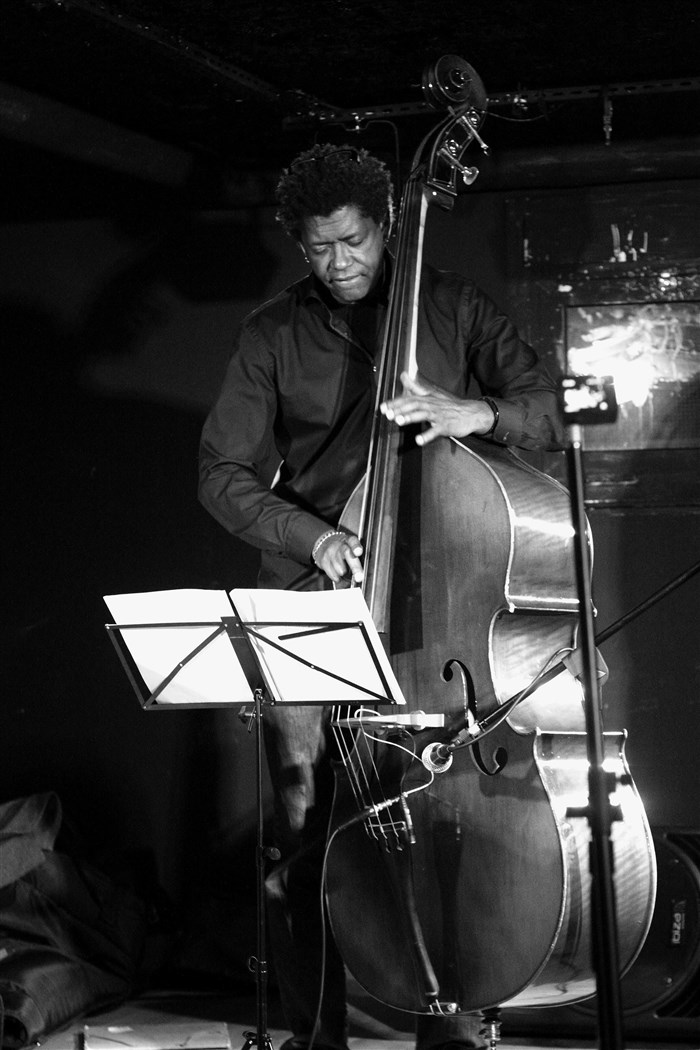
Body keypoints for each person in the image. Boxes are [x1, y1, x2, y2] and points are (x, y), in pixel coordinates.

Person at [198, 142, 565, 1050]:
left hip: (438, 604)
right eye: (319, 248)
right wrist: (313, 537)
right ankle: (315, 1035)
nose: (339, 263)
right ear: (300, 245)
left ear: (387, 225)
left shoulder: (453, 306)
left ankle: (451, 1021)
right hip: (315, 597)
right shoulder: (272, 331)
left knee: (448, 818)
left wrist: (476, 413)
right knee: (298, 832)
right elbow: (221, 473)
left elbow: (550, 409)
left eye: (354, 241)